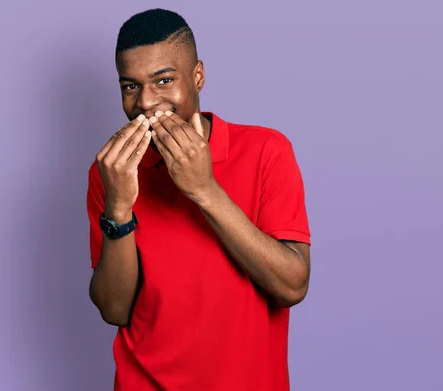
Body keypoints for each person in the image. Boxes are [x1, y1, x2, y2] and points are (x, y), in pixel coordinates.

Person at [86, 8, 312, 391]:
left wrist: (204, 190)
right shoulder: (111, 169)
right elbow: (114, 309)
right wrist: (119, 207)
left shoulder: (266, 151)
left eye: (164, 80)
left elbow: (292, 286)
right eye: (130, 86)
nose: (145, 102)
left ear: (198, 76)